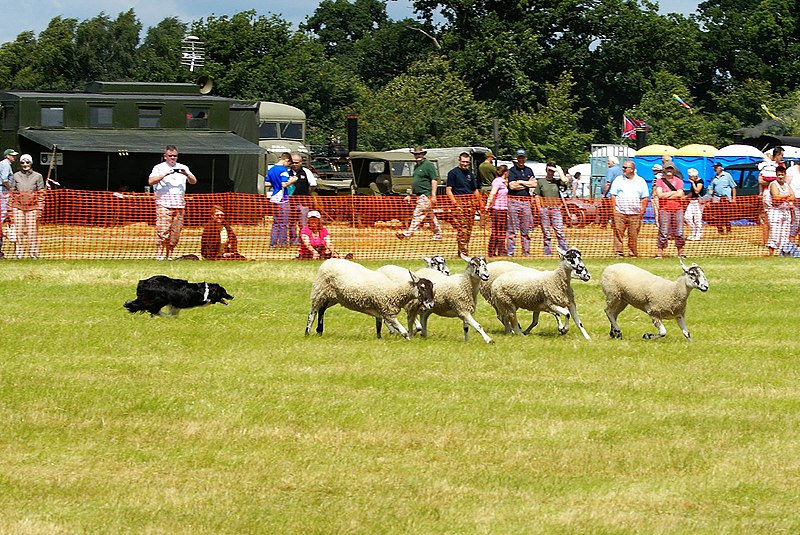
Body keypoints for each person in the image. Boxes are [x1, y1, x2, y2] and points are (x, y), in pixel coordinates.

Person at [148, 145, 197, 260]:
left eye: (175, 156)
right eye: (170, 156)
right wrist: (165, 174)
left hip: (179, 205)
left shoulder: (183, 167)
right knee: (163, 230)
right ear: (165, 156)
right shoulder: (158, 168)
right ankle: (159, 255)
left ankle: (169, 255)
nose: (173, 158)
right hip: (164, 205)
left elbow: (193, 181)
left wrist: (186, 174)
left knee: (175, 232)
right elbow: (151, 181)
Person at [397, 146, 443, 241]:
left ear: (423, 154)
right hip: (419, 195)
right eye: (416, 154)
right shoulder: (416, 166)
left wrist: (433, 195)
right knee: (430, 216)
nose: (418, 156)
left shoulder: (428, 165)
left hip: (426, 194)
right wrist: (410, 194)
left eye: (420, 154)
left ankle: (407, 234)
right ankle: (438, 234)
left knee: (417, 214)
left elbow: (434, 180)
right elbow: (415, 181)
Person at [609, 160, 649, 257]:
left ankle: (632, 253)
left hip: (635, 213)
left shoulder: (641, 181)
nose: (623, 169)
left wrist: (642, 211)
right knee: (618, 233)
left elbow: (644, 197)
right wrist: (614, 209)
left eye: (625, 167)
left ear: (632, 169)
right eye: (623, 167)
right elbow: (613, 195)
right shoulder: (618, 180)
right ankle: (618, 253)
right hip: (620, 212)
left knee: (633, 234)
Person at [9, 154, 44, 259]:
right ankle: (19, 254)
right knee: (18, 231)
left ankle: (33, 254)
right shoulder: (16, 176)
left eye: (27, 162)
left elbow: (41, 194)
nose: (25, 165)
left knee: (32, 232)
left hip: (32, 208)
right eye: (23, 162)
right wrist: (10, 210)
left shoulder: (38, 176)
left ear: (31, 163)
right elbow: (12, 193)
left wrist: (40, 209)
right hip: (18, 207)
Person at [446, 152, 481, 255]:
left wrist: (479, 204)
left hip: (470, 203)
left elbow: (475, 190)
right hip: (459, 202)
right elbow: (449, 190)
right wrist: (455, 203)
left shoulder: (470, 173)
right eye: (463, 162)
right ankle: (463, 252)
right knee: (462, 229)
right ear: (459, 160)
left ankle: (464, 250)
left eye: (467, 162)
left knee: (469, 228)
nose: (465, 164)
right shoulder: (453, 173)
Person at [506, 148, 537, 256]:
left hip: (526, 202)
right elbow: (512, 186)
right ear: (516, 158)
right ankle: (510, 253)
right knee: (512, 230)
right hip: (513, 201)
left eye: (522, 157)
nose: (521, 160)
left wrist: (520, 182)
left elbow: (534, 184)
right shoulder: (512, 170)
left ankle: (526, 253)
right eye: (519, 157)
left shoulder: (529, 170)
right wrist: (526, 183)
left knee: (526, 231)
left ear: (525, 158)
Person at [534, 161, 569, 256]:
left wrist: (558, 170)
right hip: (544, 210)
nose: (550, 172)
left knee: (560, 232)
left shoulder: (557, 182)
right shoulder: (541, 181)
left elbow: (564, 181)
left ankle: (565, 252)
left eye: (552, 170)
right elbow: (536, 195)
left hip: (556, 209)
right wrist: (539, 208)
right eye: (549, 170)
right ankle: (548, 253)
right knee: (546, 233)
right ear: (546, 170)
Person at [654, 162, 686, 258]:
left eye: (671, 169)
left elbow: (680, 194)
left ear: (673, 170)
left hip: (678, 209)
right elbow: (660, 195)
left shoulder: (679, 181)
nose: (669, 170)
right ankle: (660, 252)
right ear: (664, 170)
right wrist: (674, 193)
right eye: (667, 169)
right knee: (663, 231)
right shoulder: (660, 181)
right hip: (664, 209)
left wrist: (666, 194)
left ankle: (681, 252)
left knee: (679, 231)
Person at [266, 152, 297, 248]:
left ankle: (272, 244)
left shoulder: (271, 169)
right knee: (284, 223)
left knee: (276, 223)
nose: (288, 166)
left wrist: (275, 184)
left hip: (273, 198)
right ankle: (282, 244)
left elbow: (266, 183)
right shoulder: (283, 170)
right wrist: (292, 180)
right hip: (282, 198)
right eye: (289, 164)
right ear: (286, 160)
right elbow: (284, 184)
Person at [764, 165, 795, 255]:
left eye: (782, 174)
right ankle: (771, 253)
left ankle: (783, 252)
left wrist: (786, 198)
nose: (780, 177)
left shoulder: (786, 185)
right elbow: (776, 197)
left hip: (785, 210)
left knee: (785, 232)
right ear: (776, 175)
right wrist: (787, 196)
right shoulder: (773, 184)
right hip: (775, 211)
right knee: (775, 232)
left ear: (785, 175)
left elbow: (793, 196)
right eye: (779, 175)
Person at [287, 152, 317, 245]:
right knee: (291, 224)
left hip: (304, 202)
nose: (295, 164)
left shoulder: (306, 172)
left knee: (303, 223)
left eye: (296, 162)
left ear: (301, 162)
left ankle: (303, 242)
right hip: (290, 202)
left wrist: (308, 193)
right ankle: (293, 242)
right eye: (293, 162)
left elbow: (313, 185)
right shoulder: (287, 172)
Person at [485, 165, 509, 257]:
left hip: (503, 209)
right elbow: (492, 193)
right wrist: (488, 205)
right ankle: (491, 251)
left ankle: (501, 251)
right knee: (496, 231)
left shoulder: (504, 182)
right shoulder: (497, 181)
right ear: (505, 172)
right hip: (497, 209)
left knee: (502, 231)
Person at [707, 162, 737, 234]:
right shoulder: (714, 178)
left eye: (716, 167)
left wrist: (734, 198)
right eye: (714, 167)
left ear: (720, 168)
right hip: (716, 198)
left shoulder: (727, 175)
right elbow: (711, 189)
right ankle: (720, 230)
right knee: (717, 215)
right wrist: (708, 200)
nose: (715, 169)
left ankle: (728, 229)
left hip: (725, 198)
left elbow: (733, 187)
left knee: (726, 215)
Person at [0, 148, 18, 258]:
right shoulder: (6, 164)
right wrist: (11, 189)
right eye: (12, 155)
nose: (14, 157)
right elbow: (4, 179)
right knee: (1, 217)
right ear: (7, 156)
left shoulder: (2, 164)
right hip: (3, 192)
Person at [596, 155, 621, 227]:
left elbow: (608, 183)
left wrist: (604, 194)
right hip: (618, 195)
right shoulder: (620, 170)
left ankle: (604, 225)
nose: (607, 163)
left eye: (609, 161)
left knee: (605, 210)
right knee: (615, 210)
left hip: (609, 195)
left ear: (613, 162)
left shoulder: (611, 170)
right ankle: (615, 224)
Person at [684, 167, 707, 241]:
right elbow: (692, 193)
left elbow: (697, 191)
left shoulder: (700, 181)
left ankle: (698, 234)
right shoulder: (692, 183)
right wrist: (684, 197)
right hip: (692, 201)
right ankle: (693, 231)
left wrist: (693, 183)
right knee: (687, 217)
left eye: (690, 176)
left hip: (699, 202)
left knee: (697, 218)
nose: (689, 178)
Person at [787, 159, 800, 243]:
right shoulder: (791, 170)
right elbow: (786, 185)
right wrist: (790, 200)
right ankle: (791, 241)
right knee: (796, 221)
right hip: (794, 199)